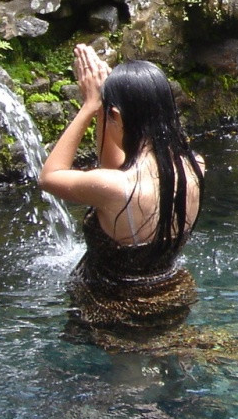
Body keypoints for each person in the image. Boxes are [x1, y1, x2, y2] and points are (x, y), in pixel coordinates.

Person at [40, 46, 206, 350]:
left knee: (128, 393)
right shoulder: (194, 167)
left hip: (117, 309)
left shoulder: (116, 188)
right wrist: (107, 109)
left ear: (115, 115)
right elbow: (114, 165)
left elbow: (49, 177)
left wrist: (89, 107)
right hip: (170, 293)